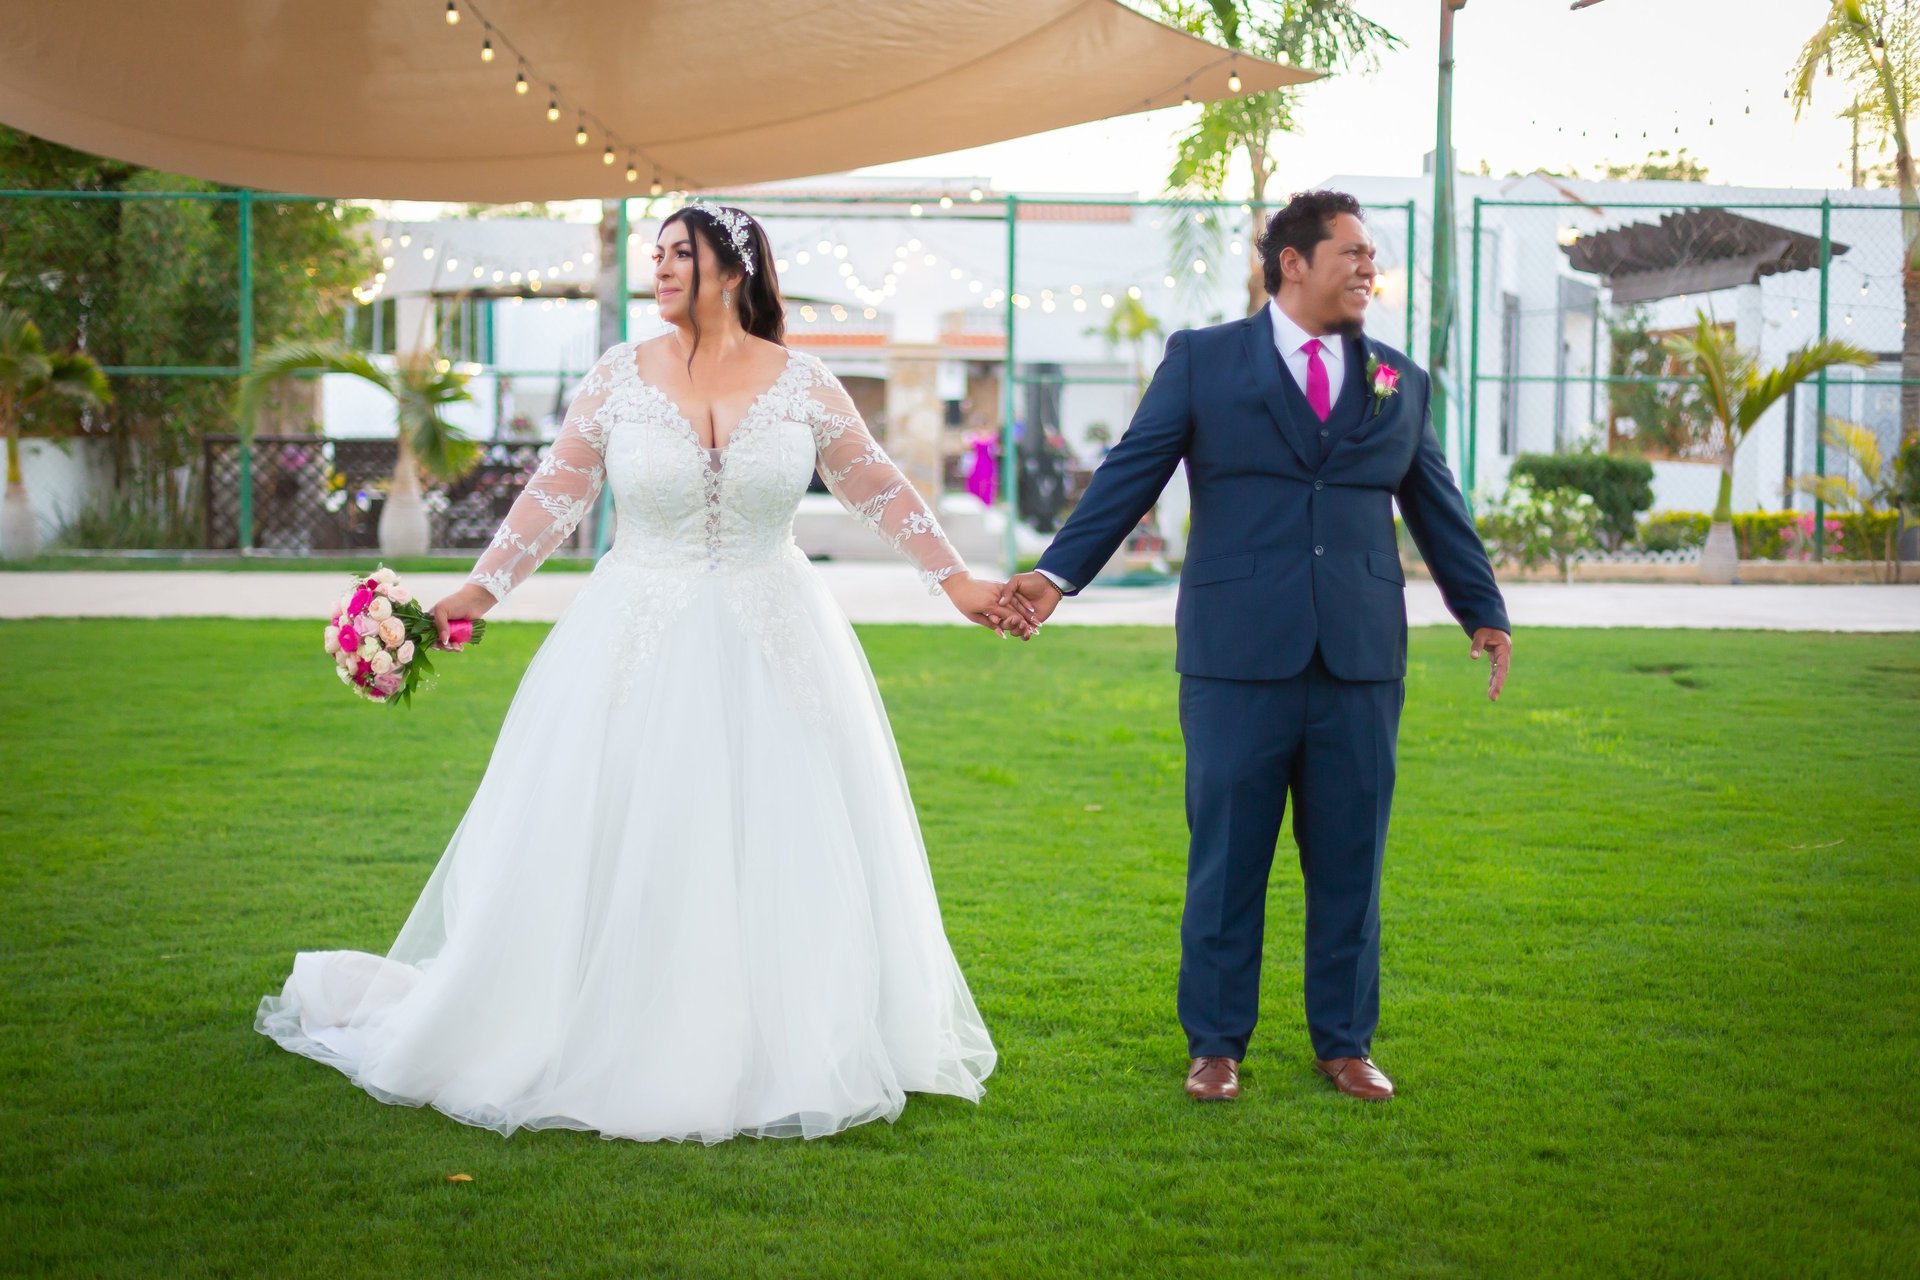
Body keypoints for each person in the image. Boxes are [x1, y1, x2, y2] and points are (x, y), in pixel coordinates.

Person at [257, 203, 1027, 1144]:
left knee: (778, 833)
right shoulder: (619, 375)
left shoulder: (805, 382)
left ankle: (775, 1036)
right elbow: (555, 494)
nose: (659, 269)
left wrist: (955, 581)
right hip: (634, 635)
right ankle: (607, 1022)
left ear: (733, 271)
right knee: (626, 828)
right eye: (654, 255)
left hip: (776, 635)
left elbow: (878, 484)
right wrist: (480, 590)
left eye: (680, 255)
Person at [1001, 190, 1513, 1105]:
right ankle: (1216, 1045)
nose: (1367, 269)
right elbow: (1132, 471)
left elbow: (1435, 503)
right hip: (1235, 658)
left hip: (1360, 660)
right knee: (1229, 858)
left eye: (1370, 256)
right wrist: (1056, 575)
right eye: (1351, 253)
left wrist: (1482, 609)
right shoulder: (1203, 362)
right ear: (1292, 263)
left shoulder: (1401, 379)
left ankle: (1345, 1043)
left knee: (1351, 860)